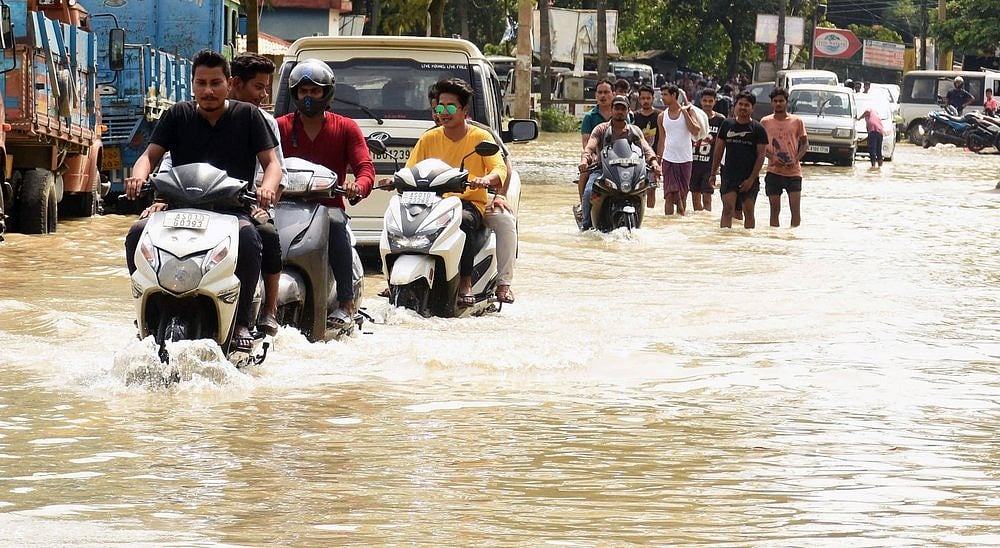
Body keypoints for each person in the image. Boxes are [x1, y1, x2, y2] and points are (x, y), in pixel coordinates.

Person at [123, 49, 283, 351]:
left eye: (215, 83)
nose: (207, 90)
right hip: (178, 208)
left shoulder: (248, 116)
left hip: (232, 210)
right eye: (201, 83)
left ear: (229, 83)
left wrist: (267, 188)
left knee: (254, 238)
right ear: (192, 84)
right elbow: (149, 156)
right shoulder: (177, 115)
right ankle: (146, 310)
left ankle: (243, 320)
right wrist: (138, 177)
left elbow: (271, 163)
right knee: (135, 234)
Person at [275, 59, 375, 329]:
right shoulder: (279, 127)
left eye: (315, 91)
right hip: (282, 206)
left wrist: (359, 186)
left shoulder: (346, 127)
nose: (309, 97)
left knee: (336, 226)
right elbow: (263, 162)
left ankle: (345, 303)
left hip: (327, 207)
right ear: (295, 94)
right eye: (303, 91)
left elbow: (365, 168)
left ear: (327, 92)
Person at [403, 77, 507, 307]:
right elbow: (410, 168)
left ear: (464, 110)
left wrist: (486, 179)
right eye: (440, 107)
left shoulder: (481, 137)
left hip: (466, 204)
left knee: (461, 222)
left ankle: (466, 281)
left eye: (450, 107)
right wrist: (396, 179)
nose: (444, 112)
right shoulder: (429, 138)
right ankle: (395, 276)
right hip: (431, 202)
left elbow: (499, 167)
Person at [230, 52, 287, 336]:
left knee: (265, 234)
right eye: (259, 87)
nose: (264, 95)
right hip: (202, 205)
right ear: (235, 84)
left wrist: (266, 194)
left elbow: (277, 171)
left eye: (267, 88)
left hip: (248, 206)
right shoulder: (194, 115)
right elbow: (170, 163)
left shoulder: (266, 122)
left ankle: (268, 309)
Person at [579, 95, 660, 228]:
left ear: (628, 111)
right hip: (602, 171)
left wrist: (654, 163)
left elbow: (646, 148)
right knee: (588, 191)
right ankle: (586, 224)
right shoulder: (601, 129)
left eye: (623, 108)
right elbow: (590, 146)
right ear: (611, 110)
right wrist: (584, 159)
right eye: (617, 108)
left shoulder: (634, 131)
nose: (620, 111)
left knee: (643, 187)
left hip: (629, 171)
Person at [710, 90, 768, 229]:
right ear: (735, 106)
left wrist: (751, 179)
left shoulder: (758, 129)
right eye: (740, 104)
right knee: (727, 210)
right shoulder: (727, 125)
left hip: (749, 177)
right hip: (729, 175)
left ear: (752, 108)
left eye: (746, 105)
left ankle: (747, 244)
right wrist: (713, 173)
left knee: (748, 212)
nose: (743, 107)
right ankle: (725, 241)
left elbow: (761, 156)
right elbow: (718, 149)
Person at [760, 87, 807, 227]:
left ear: (787, 102)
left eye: (781, 101)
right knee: (774, 212)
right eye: (775, 101)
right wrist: (772, 157)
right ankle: (775, 241)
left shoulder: (797, 121)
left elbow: (805, 144)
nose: (778, 104)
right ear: (771, 103)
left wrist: (796, 158)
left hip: (793, 172)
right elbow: (760, 146)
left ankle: (793, 240)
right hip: (773, 171)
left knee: (795, 211)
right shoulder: (765, 122)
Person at [656, 84, 702, 216]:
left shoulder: (689, 112)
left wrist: (684, 112)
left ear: (674, 96)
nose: (662, 98)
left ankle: (680, 222)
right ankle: (668, 224)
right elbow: (661, 140)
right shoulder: (661, 116)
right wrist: (658, 161)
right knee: (669, 195)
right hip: (668, 159)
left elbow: (695, 130)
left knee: (682, 196)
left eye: (665, 95)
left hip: (685, 159)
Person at [577, 79, 615, 218]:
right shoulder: (589, 117)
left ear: (614, 94)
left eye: (606, 92)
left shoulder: (622, 115)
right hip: (596, 160)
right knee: (585, 175)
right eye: (600, 92)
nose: (603, 96)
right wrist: (590, 158)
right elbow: (587, 143)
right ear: (596, 95)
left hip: (618, 161)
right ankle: (583, 206)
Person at [689, 88, 726, 212]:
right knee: (695, 196)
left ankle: (707, 220)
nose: (707, 104)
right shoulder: (693, 117)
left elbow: (723, 143)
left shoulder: (720, 120)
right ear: (701, 101)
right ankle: (698, 224)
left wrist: (720, 165)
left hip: (710, 164)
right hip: (693, 162)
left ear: (715, 102)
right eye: (705, 100)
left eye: (711, 101)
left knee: (707, 196)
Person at [631, 84, 661, 209]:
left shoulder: (660, 116)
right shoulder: (635, 116)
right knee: (636, 188)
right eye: (643, 98)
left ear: (653, 99)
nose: (646, 101)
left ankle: (650, 212)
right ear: (639, 99)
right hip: (637, 158)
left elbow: (664, 138)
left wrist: (660, 156)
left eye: (648, 98)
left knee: (651, 189)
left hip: (655, 157)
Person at [858, 98, 885, 170]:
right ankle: (880, 168)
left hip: (874, 131)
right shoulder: (876, 115)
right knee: (878, 150)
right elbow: (870, 137)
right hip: (880, 131)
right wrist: (860, 141)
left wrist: (859, 118)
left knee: (872, 149)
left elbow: (867, 111)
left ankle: (873, 167)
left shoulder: (870, 110)